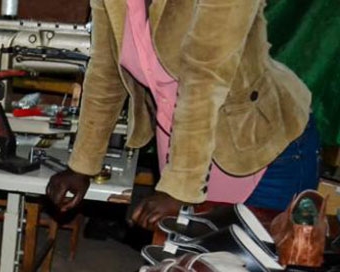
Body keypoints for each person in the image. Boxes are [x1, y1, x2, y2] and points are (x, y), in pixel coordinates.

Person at [46, 0, 319, 229]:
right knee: (189, 270)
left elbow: (204, 81)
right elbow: (106, 70)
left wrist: (179, 189)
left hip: (262, 149)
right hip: (184, 151)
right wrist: (82, 165)